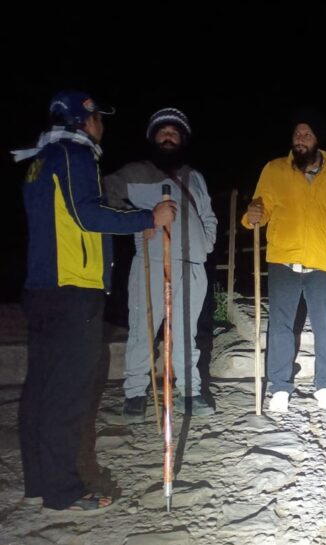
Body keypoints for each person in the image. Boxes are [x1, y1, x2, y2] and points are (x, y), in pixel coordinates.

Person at [13, 90, 176, 512]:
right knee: (68, 393)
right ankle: (63, 489)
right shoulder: (75, 154)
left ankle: (40, 482)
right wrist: (148, 218)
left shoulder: (41, 159)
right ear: (84, 120)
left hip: (42, 288)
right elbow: (86, 215)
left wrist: (133, 222)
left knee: (42, 388)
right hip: (72, 289)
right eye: (99, 117)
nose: (102, 124)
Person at [104, 108, 218, 421]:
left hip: (192, 265)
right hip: (151, 262)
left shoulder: (195, 177)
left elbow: (208, 215)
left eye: (174, 133)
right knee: (144, 328)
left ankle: (190, 391)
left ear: (182, 139)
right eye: (163, 132)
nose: (168, 137)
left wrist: (205, 244)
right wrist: (141, 219)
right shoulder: (134, 173)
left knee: (185, 332)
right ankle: (136, 393)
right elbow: (104, 197)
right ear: (153, 138)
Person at [243, 110, 326, 412]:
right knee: (280, 325)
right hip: (283, 261)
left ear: (317, 140)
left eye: (306, 134)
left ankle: (324, 386)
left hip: (322, 265)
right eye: (296, 134)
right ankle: (280, 387)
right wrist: (253, 214)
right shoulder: (274, 169)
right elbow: (261, 207)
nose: (300, 139)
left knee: (325, 326)